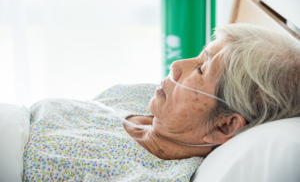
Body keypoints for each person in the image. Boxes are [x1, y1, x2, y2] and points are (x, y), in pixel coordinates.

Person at [23, 23, 300, 181]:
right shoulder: (147, 98)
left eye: (201, 69)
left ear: (224, 126)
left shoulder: (145, 176)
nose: (176, 65)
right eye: (199, 55)